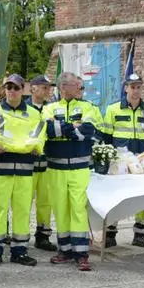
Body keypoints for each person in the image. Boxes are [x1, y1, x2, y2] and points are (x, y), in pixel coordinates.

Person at [0, 74, 46, 267]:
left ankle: (19, 251)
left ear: (23, 90)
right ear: (4, 90)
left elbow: (37, 139)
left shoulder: (34, 114)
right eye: (8, 87)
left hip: (24, 170)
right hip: (0, 168)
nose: (12, 91)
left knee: (22, 210)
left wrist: (21, 146)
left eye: (16, 88)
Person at [43, 72, 97, 271]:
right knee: (60, 209)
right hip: (55, 168)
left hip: (79, 167)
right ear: (65, 87)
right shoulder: (49, 108)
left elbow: (88, 131)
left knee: (78, 208)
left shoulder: (88, 107)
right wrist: (72, 127)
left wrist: (63, 130)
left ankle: (81, 254)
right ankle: (64, 251)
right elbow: (47, 130)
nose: (80, 89)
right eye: (77, 85)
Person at [100, 73, 144, 248]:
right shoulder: (113, 109)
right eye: (133, 87)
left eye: (139, 87)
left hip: (140, 163)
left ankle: (140, 235)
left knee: (142, 198)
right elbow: (106, 137)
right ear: (126, 88)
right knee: (116, 197)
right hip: (118, 164)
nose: (136, 91)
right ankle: (110, 234)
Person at [25, 74, 56, 252]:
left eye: (48, 87)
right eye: (43, 87)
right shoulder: (23, 108)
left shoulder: (51, 109)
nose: (47, 90)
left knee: (45, 201)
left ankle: (43, 236)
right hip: (28, 163)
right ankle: (20, 236)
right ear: (33, 88)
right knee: (24, 201)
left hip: (46, 162)